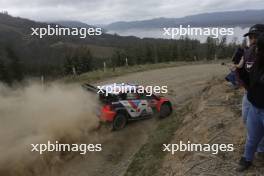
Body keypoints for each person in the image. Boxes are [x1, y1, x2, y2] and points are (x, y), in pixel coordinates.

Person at [237, 33, 264, 172]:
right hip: (255, 107)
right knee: (252, 138)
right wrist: (239, 69)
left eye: (258, 47)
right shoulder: (256, 65)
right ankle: (247, 159)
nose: (256, 50)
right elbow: (249, 83)